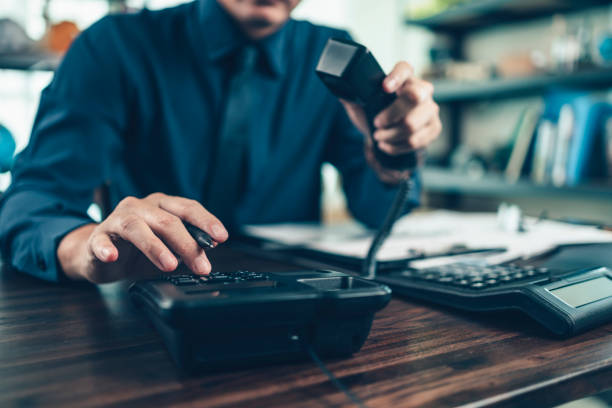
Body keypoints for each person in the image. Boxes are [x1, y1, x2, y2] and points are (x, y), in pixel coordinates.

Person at [0, 0, 441, 284]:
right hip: (145, 306)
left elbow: (376, 212)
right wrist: (88, 249)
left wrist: (393, 153)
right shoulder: (114, 46)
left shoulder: (333, 54)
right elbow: (32, 202)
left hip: (295, 310)